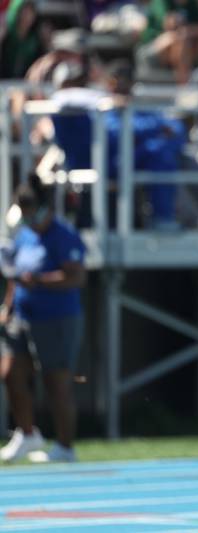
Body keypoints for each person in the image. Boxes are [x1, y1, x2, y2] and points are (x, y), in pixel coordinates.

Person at [0, 174, 86, 463]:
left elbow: (76, 277)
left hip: (56, 317)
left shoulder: (63, 236)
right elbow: (15, 274)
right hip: (24, 315)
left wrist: (40, 281)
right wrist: (8, 306)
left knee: (55, 381)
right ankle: (27, 433)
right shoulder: (24, 235)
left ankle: (64, 446)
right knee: (10, 373)